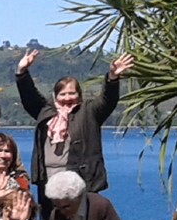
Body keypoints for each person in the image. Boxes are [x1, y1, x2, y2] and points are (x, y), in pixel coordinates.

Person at [15, 49, 133, 205]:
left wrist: (112, 78)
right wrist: (22, 72)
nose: (67, 98)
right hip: (48, 181)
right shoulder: (45, 112)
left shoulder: (90, 111)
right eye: (62, 94)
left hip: (81, 182)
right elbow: (29, 96)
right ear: (55, 96)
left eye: (72, 93)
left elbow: (108, 100)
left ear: (79, 95)